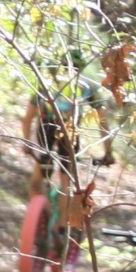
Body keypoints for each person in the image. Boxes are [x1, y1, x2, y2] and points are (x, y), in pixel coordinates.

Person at [21, 52, 114, 205]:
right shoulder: (87, 86)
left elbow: (27, 118)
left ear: (62, 63)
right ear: (82, 67)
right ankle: (63, 227)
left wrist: (26, 143)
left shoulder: (47, 83)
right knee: (66, 181)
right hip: (70, 132)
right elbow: (103, 122)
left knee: (40, 173)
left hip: (46, 128)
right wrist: (108, 152)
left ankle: (36, 220)